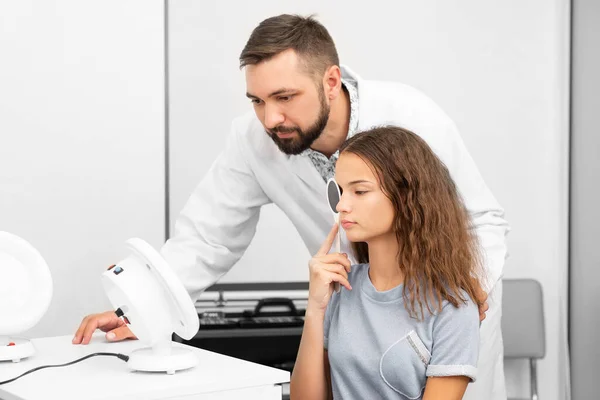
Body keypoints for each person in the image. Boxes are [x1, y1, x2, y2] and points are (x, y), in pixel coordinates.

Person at [72, 14, 509, 399]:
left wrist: (465, 290)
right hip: (358, 302)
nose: (269, 119)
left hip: (434, 314)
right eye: (257, 101)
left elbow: (482, 218)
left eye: (285, 97)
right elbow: (208, 236)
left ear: (331, 81)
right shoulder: (252, 140)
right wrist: (148, 307)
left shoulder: (412, 115)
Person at [291, 126, 483, 400]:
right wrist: (314, 308)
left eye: (359, 191)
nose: (342, 205)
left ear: (407, 196)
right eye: (340, 191)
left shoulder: (452, 307)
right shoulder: (340, 287)